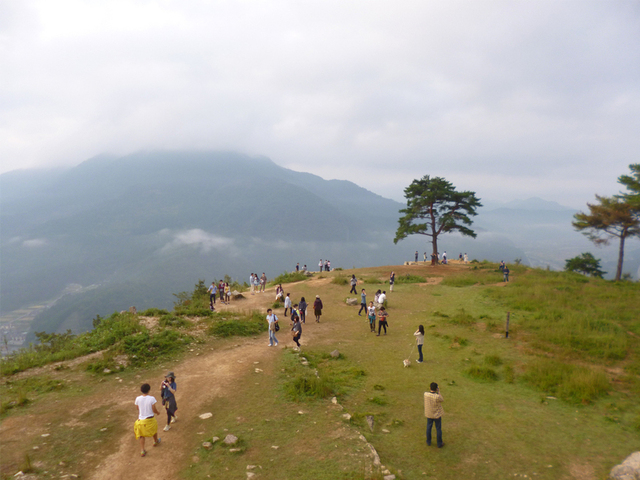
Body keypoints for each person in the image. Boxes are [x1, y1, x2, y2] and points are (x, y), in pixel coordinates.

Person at [134, 383, 161, 457]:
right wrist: (157, 412)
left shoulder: (138, 398)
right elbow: (154, 409)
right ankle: (155, 441)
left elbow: (137, 408)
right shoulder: (152, 398)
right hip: (150, 419)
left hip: (141, 420)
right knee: (154, 430)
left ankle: (142, 450)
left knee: (141, 436)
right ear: (149, 390)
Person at [424, 382, 444, 448]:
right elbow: (442, 399)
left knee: (429, 427)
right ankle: (439, 443)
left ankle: (428, 441)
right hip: (436, 415)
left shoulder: (425, 394)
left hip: (429, 414)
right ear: (436, 389)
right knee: (438, 428)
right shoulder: (437, 397)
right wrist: (439, 392)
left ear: (430, 388)